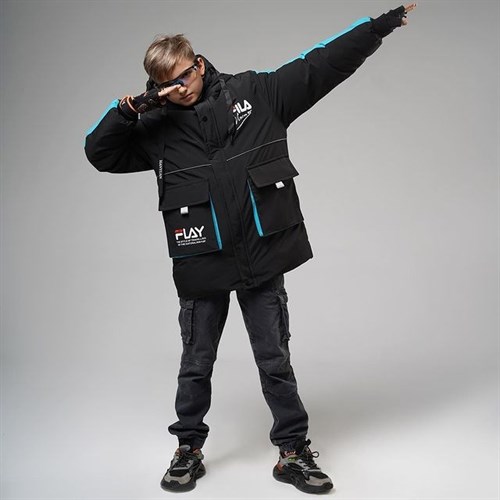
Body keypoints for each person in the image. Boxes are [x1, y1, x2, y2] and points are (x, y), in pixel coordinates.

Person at [84, 3, 416, 494]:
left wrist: (378, 27)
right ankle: (188, 449)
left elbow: (321, 65)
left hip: (262, 258)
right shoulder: (153, 131)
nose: (181, 88)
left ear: (199, 64)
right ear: (155, 88)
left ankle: (292, 453)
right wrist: (128, 110)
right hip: (202, 262)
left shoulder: (256, 94)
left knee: (274, 359)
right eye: (167, 85)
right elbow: (99, 153)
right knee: (196, 363)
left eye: (185, 75)